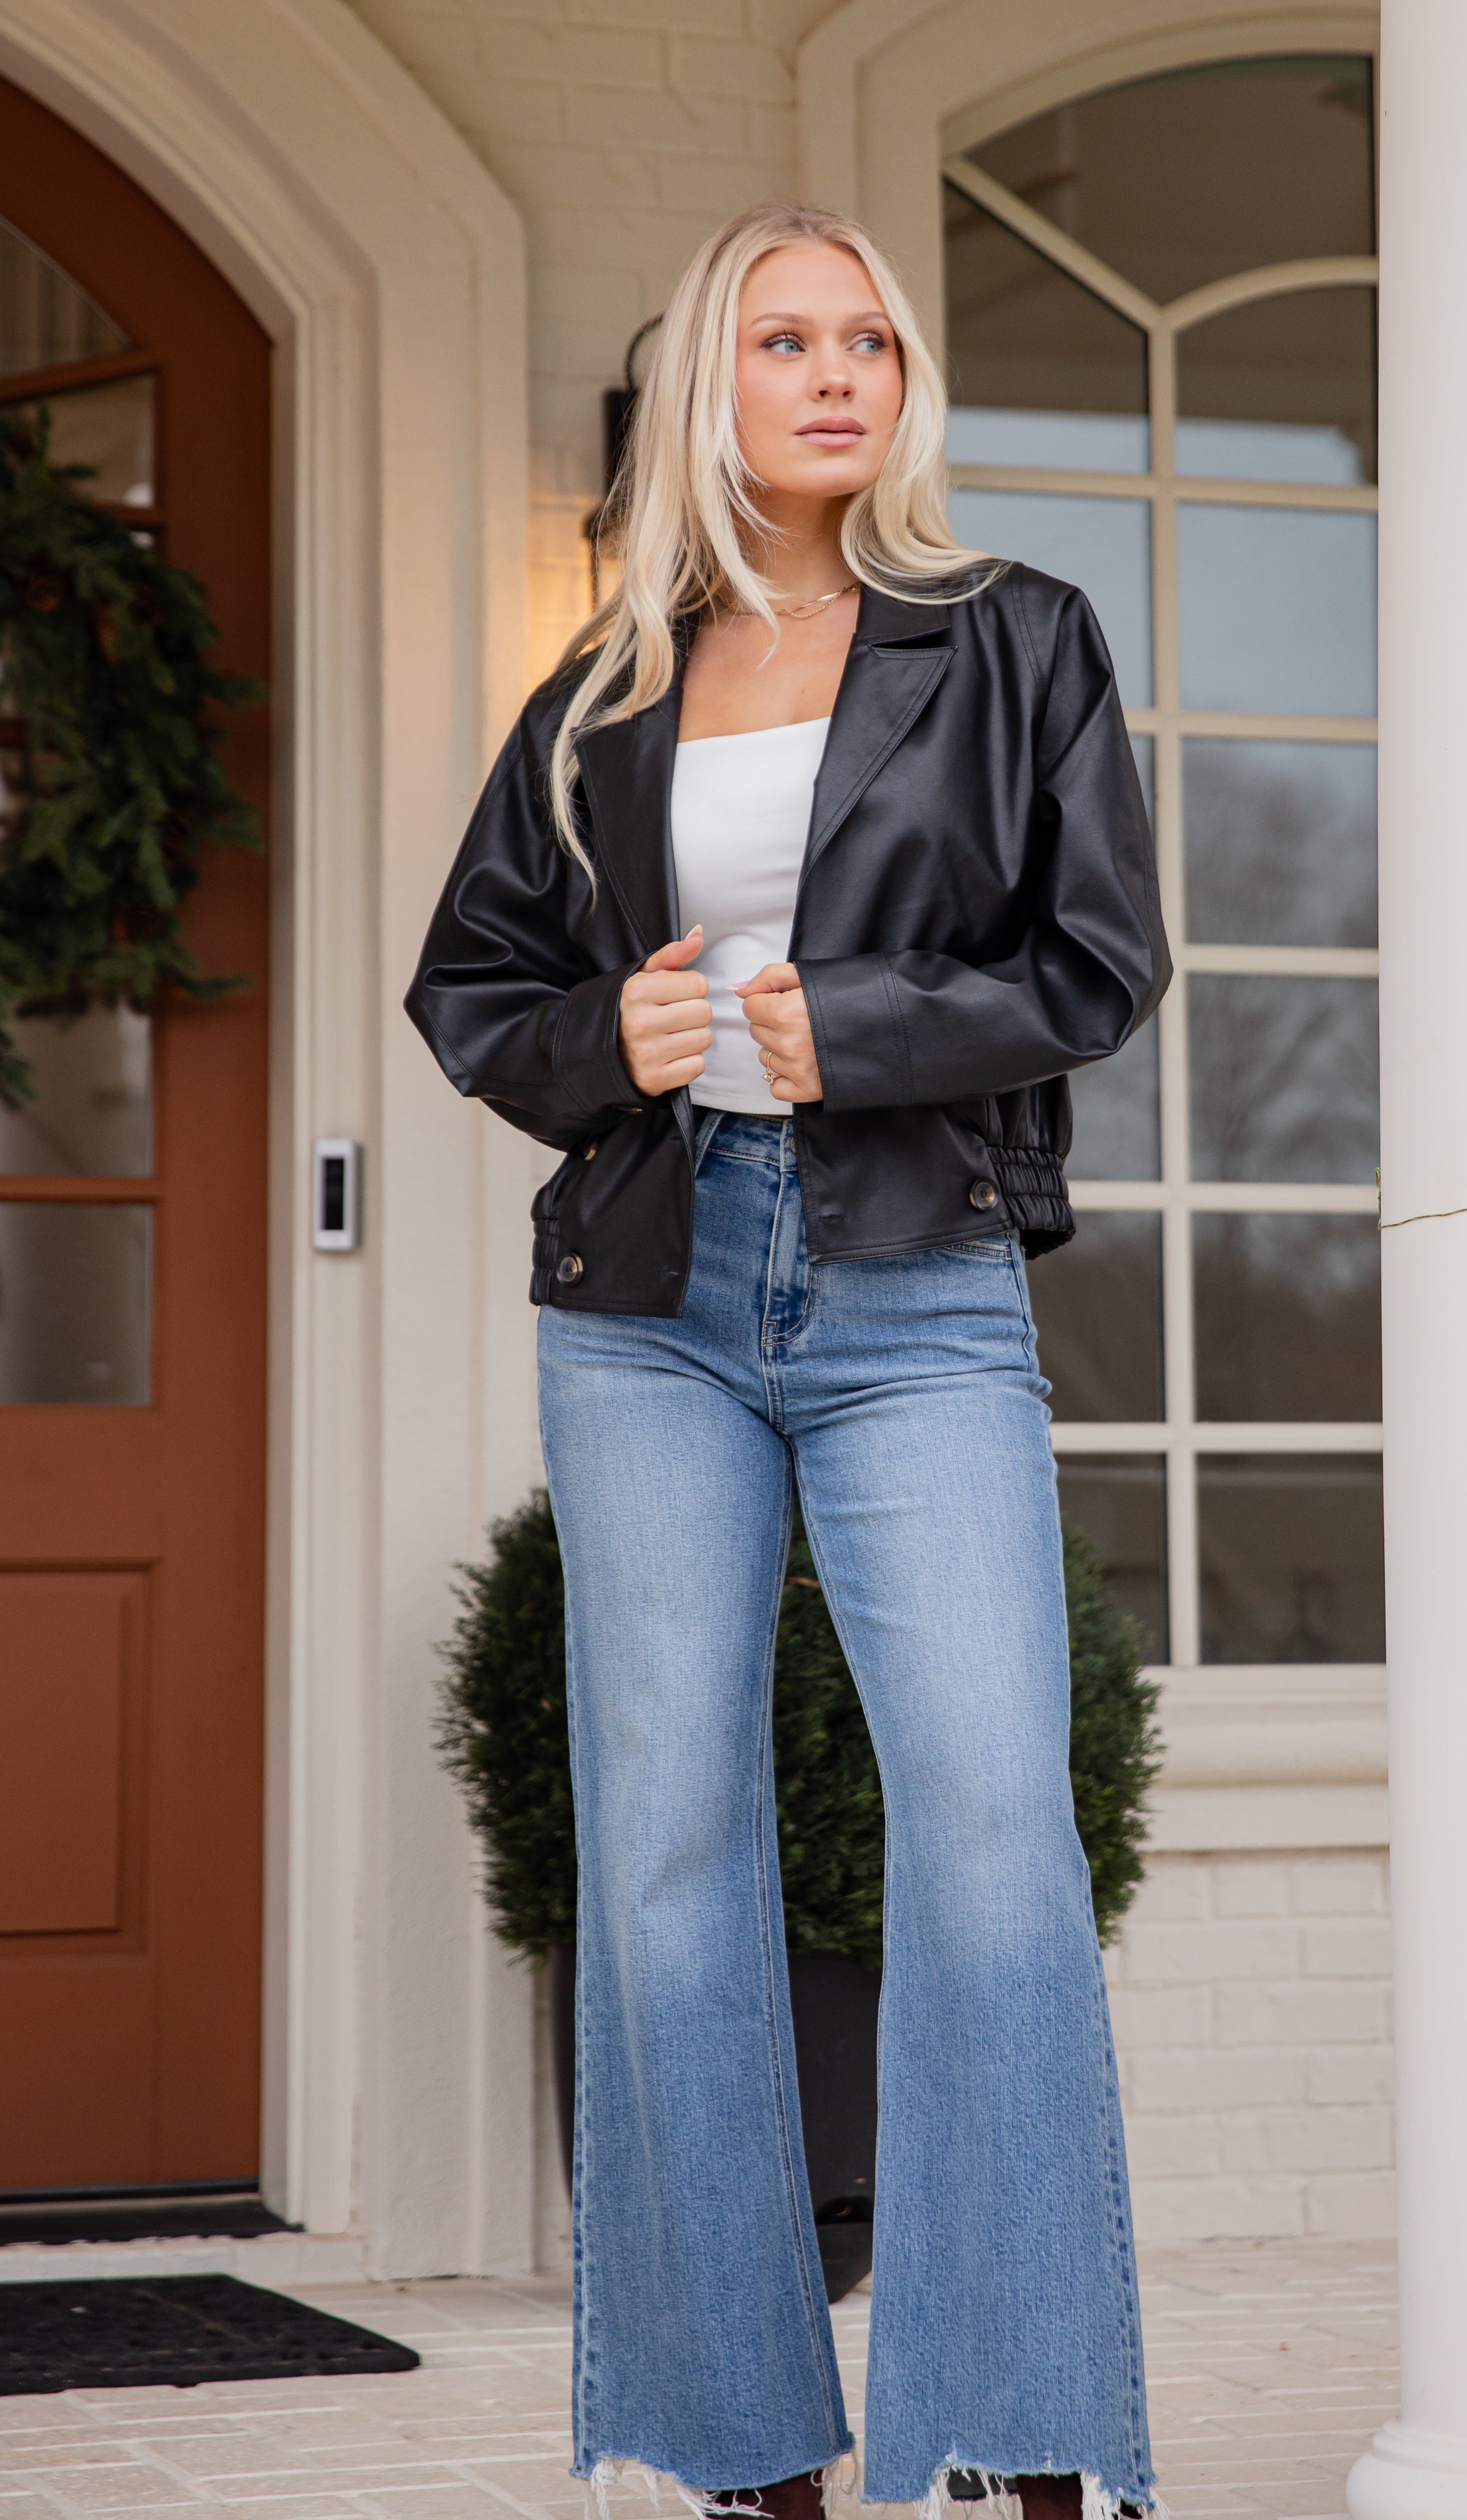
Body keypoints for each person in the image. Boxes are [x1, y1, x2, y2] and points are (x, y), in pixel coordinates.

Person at [406, 203, 1169, 2520]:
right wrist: (606, 1040)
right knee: (662, 1853)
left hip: (917, 1278)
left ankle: (1023, 2433)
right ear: (707, 392)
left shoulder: (1010, 638)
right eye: (784, 340)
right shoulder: (610, 680)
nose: (837, 376)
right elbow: (475, 987)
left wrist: (851, 1025)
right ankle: (743, 2451)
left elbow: (1096, 960)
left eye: (868, 341)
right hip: (647, 1305)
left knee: (994, 1833)